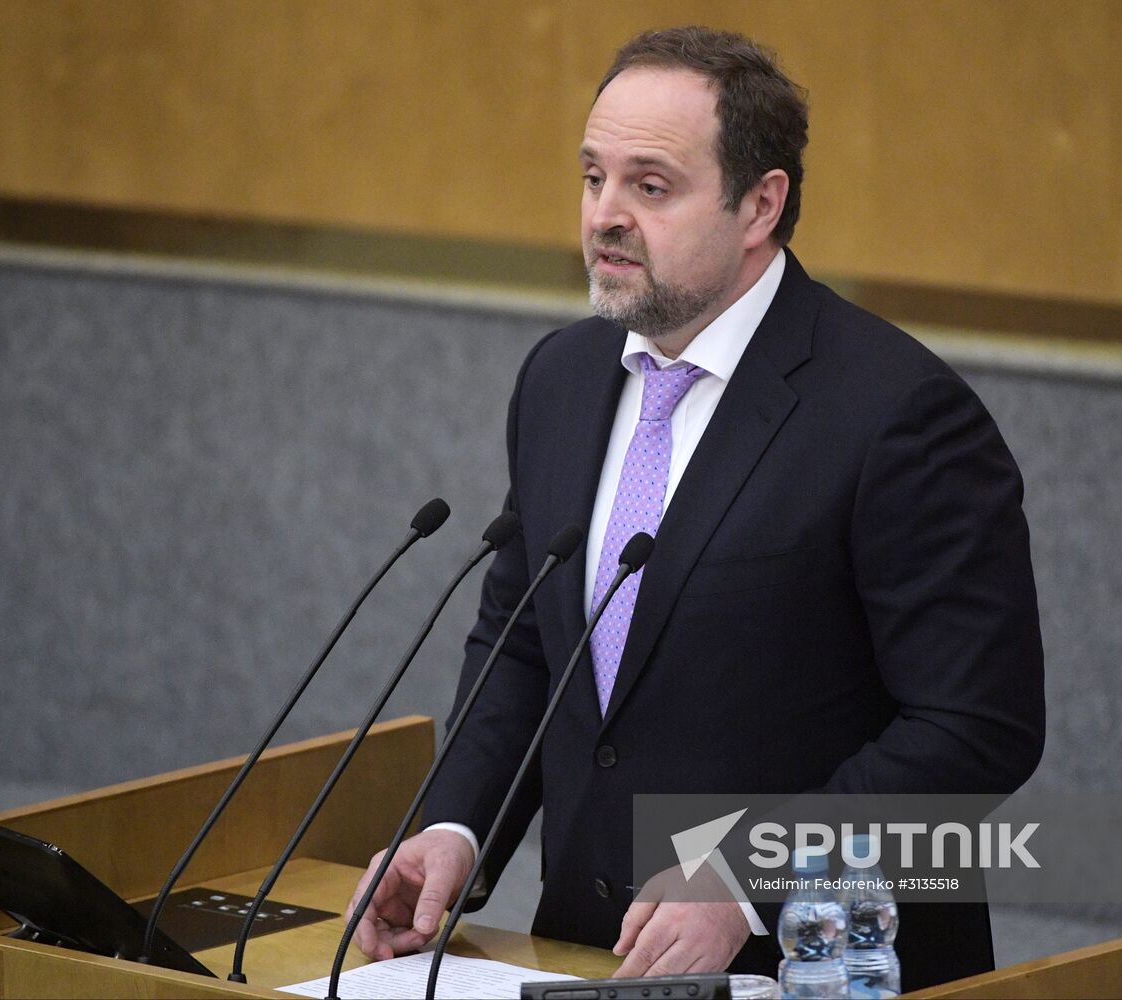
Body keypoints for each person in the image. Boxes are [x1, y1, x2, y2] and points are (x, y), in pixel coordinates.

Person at [346, 25, 1044, 990]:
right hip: (587, 955)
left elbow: (974, 729)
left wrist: (749, 875)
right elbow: (525, 643)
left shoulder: (897, 414)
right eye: (593, 177)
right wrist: (456, 829)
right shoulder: (560, 378)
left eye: (650, 186)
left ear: (760, 204)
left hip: (818, 966)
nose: (605, 215)